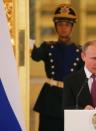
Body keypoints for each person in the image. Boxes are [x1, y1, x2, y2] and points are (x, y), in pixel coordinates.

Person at [31, 3, 83, 131]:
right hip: (50, 99)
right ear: (55, 27)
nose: (63, 28)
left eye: (67, 25)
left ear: (72, 27)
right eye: (60, 24)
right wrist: (26, 32)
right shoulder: (48, 47)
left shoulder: (80, 51)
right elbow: (35, 55)